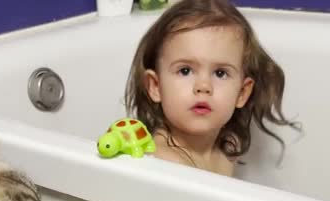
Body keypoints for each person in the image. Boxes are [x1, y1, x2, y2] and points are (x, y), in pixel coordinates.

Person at [125, 0, 298, 176]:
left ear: (242, 93)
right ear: (156, 86)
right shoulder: (163, 162)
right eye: (185, 71)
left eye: (220, 73)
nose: (203, 86)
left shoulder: (228, 147)